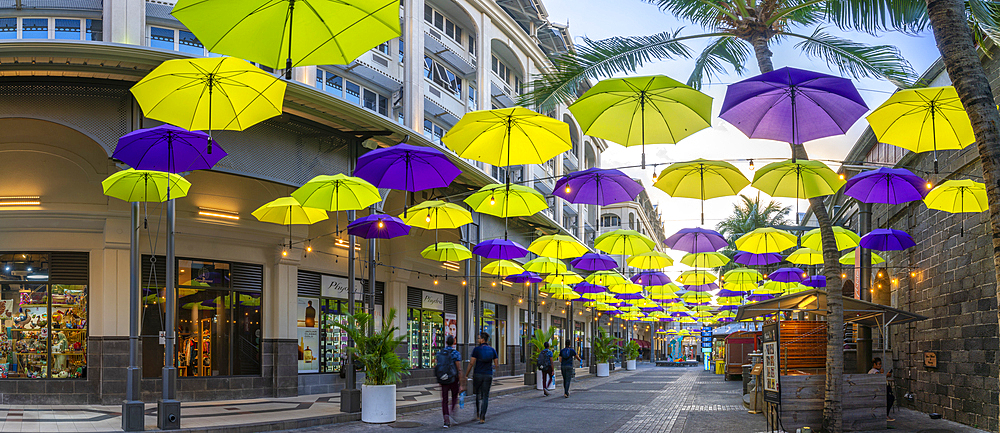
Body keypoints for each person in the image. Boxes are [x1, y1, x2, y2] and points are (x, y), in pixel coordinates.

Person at [466, 332, 498, 424]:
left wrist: (466, 374)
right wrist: (493, 371)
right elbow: (496, 364)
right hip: (488, 374)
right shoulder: (492, 350)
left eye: (479, 338)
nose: (478, 340)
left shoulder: (476, 350)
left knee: (477, 394)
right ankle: (482, 417)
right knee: (485, 396)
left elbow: (471, 363)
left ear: (482, 340)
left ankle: (477, 413)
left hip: (478, 374)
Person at [435, 335, 464, 428]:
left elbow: (438, 366)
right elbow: (459, 369)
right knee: (455, 396)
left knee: (444, 399)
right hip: (453, 379)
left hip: (443, 379)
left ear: (446, 342)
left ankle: (446, 419)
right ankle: (452, 411)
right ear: (454, 342)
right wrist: (462, 383)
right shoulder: (455, 353)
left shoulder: (440, 353)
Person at [868, 357, 895, 422]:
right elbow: (879, 379)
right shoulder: (875, 372)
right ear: (874, 364)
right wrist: (884, 375)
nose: (880, 366)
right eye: (878, 364)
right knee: (890, 399)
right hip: (877, 391)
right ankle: (886, 415)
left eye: (880, 364)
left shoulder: (873, 371)